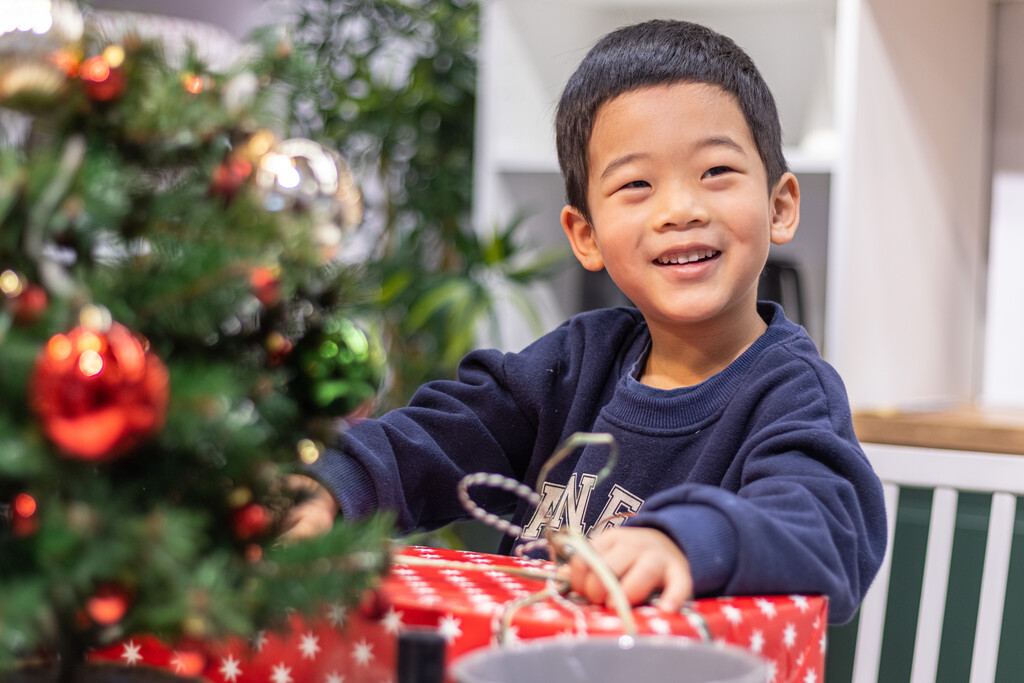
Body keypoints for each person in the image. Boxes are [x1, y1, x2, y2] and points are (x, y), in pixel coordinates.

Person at [284, 18, 886, 624]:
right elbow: (438, 438)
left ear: (780, 206)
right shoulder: (575, 363)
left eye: (716, 173)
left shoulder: (791, 392)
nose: (680, 209)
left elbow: (827, 530)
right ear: (586, 235)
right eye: (636, 184)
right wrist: (331, 483)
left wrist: (683, 543)